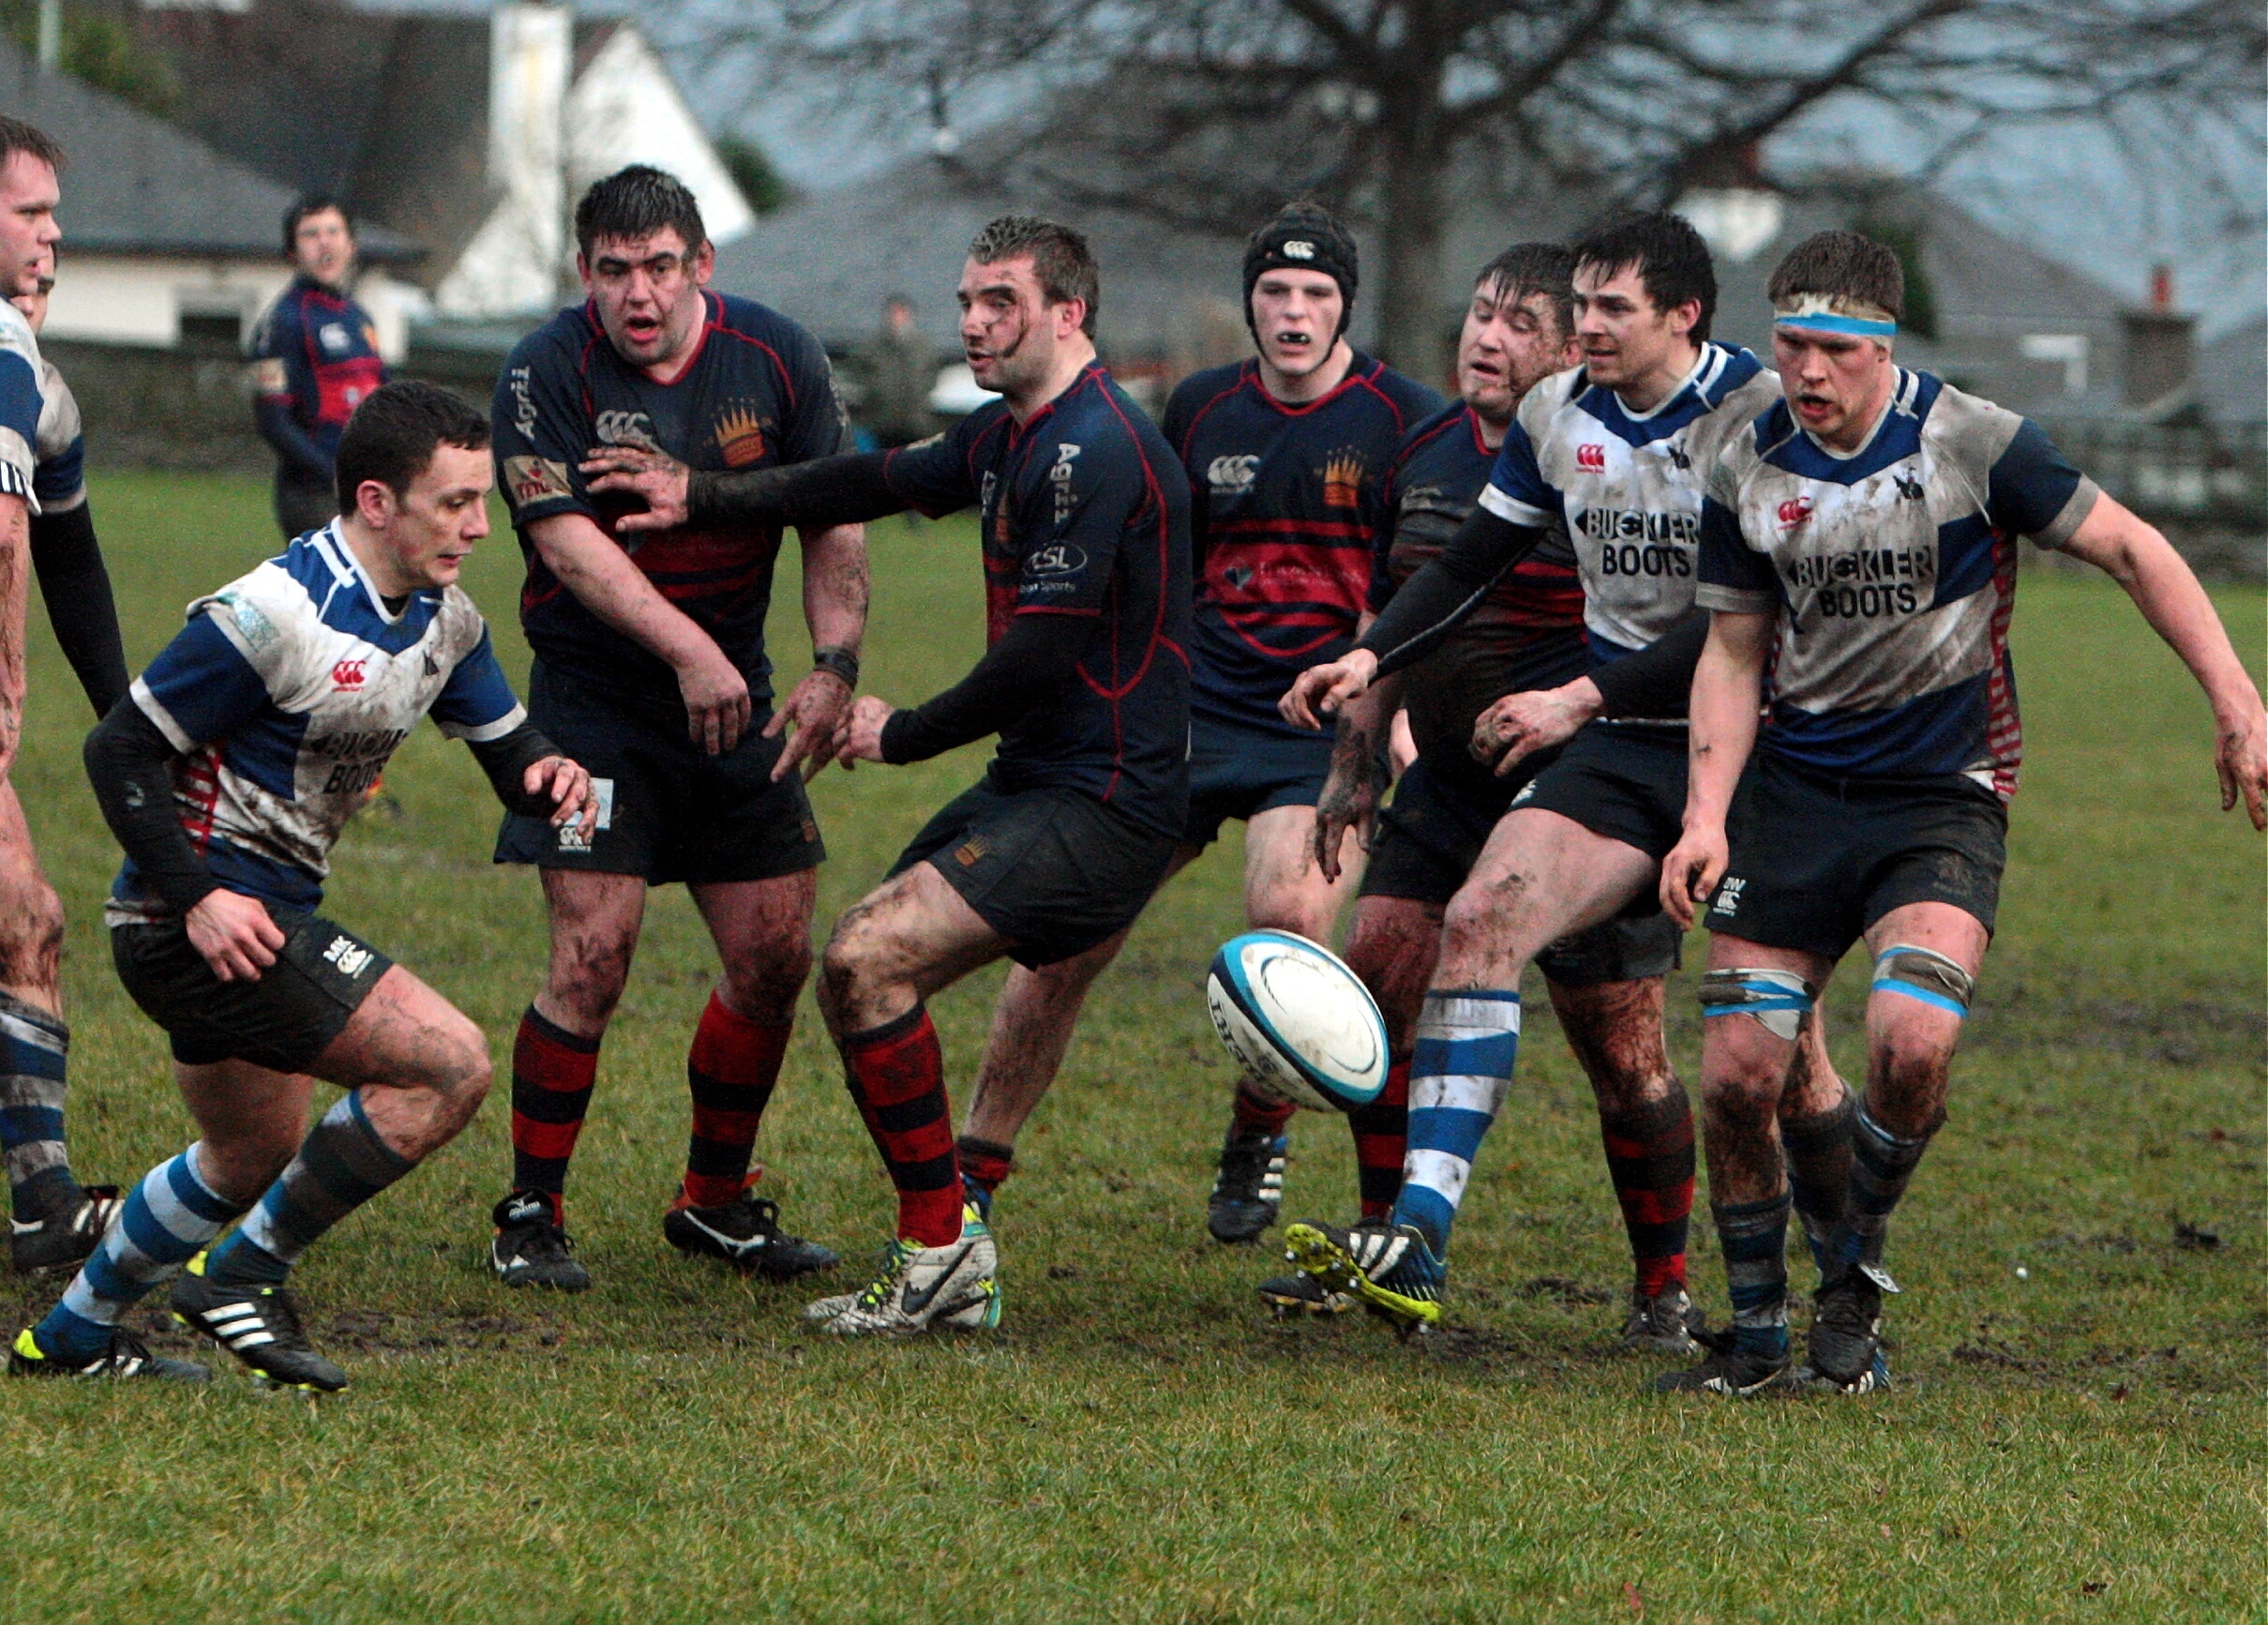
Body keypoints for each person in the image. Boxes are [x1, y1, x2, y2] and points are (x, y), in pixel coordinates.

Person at [1651, 231, 2268, 1395]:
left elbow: (2134, 549)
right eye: (1789, 344)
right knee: (1737, 1073)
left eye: (1834, 349)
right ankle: (1759, 1336)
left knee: (1911, 1045)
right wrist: (1703, 815)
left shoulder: (1972, 444)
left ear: (1884, 347)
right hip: (1792, 791)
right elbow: (1732, 648)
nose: (1808, 372)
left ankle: (1852, 1267)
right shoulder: (1741, 452)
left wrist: (2237, 700)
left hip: (1941, 795)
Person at [582, 215, 1191, 1336]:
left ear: (1069, 314)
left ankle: (939, 1249)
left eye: (998, 301)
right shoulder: (1010, 435)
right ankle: (943, 1245)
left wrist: (897, 730)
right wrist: (700, 494)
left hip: (1104, 797)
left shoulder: (1094, 448)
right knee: (857, 969)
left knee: (866, 959)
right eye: (965, 298)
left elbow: (1041, 656)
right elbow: (861, 480)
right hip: (1042, 782)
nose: (971, 320)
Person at [1277, 212, 1844, 1333]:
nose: (1585, 327)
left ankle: (1845, 1275)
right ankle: (1420, 1236)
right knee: (1481, 914)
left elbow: (1752, 619)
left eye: (1610, 308)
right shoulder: (1556, 412)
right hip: (1631, 740)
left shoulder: (1759, 418)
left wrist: (1577, 694)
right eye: (1578, 305)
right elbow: (1473, 562)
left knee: (1773, 1060)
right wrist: (1368, 652)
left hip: (1767, 741)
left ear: (1682, 315)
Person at [9, 380, 595, 1386]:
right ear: (377, 502)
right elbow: (117, 752)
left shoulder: (444, 621)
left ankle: (66, 1336)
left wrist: (551, 771)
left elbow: (511, 754)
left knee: (248, 1153)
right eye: (453, 501)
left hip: (258, 914)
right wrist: (197, 895)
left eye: (481, 498)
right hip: (188, 918)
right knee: (448, 1064)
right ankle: (239, 1278)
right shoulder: (273, 614)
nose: (479, 525)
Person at [930, 201, 1441, 1249]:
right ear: (1251, 301)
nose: (1293, 312)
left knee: (1289, 913)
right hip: (1184, 715)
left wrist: (1389, 716)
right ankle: (971, 1175)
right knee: (1057, 945)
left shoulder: (1404, 417)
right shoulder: (1202, 407)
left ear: (1346, 304)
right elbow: (1150, 553)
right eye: (1274, 293)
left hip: (1314, 723)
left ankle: (1259, 1124)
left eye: (1315, 294)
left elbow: (1417, 588)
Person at [1249, 243, 1702, 1353]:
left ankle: (1666, 1288)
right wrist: (1358, 756)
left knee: (1622, 1048)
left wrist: (1579, 704)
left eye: (1516, 323)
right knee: (1380, 970)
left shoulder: (1603, 459)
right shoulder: (1428, 452)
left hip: (1575, 781)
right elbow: (1405, 609)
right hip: (1448, 777)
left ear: (1566, 351)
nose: (1483, 338)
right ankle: (1385, 1242)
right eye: (1476, 313)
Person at [484, 166, 866, 1292]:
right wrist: (688, 650)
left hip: (738, 701)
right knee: (592, 957)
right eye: (614, 270)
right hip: (595, 704)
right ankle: (530, 1207)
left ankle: (714, 1200)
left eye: (659, 266)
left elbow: (831, 517)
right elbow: (564, 541)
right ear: (584, 273)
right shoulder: (544, 369)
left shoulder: (779, 358)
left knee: (772, 954)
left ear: (704, 264)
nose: (638, 293)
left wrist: (835, 663)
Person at [0, 117, 130, 1280]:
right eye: (28, 212)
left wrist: (127, 712)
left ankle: (42, 1197)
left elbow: (73, 561)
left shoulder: (37, 386)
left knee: (28, 917)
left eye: (55, 213)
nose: (54, 236)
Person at [14, 266, 130, 723]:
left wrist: (120, 715)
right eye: (11, 291)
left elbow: (70, 566)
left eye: (40, 292)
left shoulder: (50, 406)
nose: (25, 306)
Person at [248, 198, 389, 541]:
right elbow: (273, 423)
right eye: (311, 234)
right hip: (314, 495)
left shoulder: (359, 317)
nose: (324, 242)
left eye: (333, 232)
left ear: (351, 245)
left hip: (366, 490)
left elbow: (385, 401)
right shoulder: (281, 323)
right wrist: (334, 476)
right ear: (292, 252)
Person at [858, 294, 936, 449]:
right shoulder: (873, 347)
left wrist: (920, 391)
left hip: (914, 422)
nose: (898, 317)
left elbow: (931, 374)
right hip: (883, 421)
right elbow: (858, 370)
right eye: (894, 313)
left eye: (902, 312)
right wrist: (875, 390)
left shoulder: (923, 347)